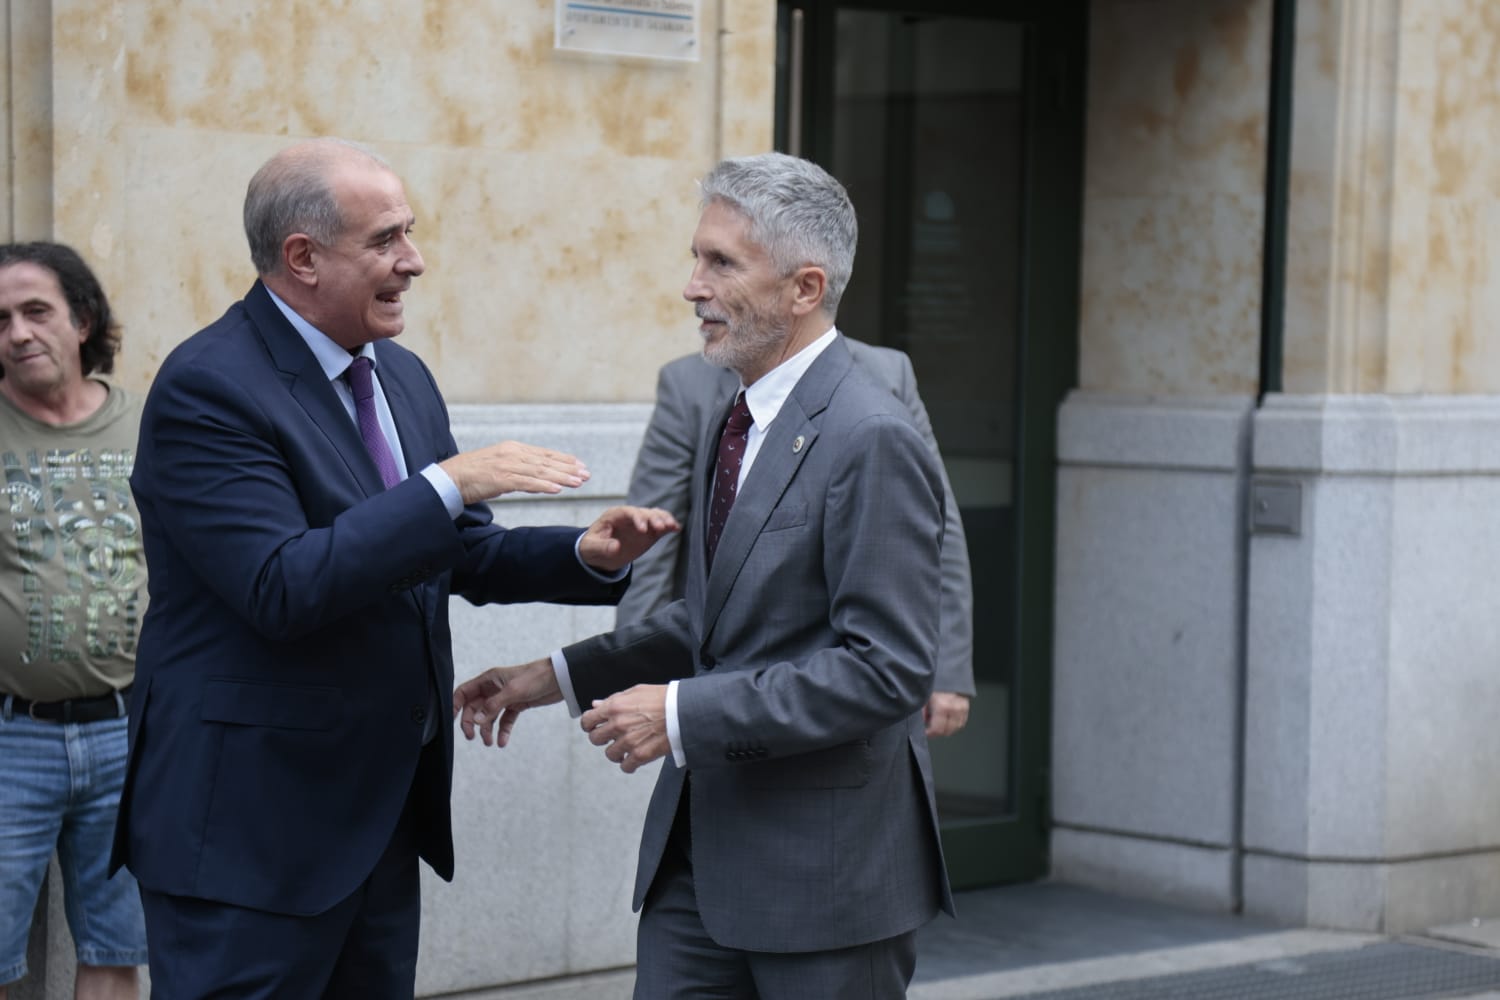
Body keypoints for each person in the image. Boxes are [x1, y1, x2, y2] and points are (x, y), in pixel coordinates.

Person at [109, 138, 676, 997]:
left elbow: (454, 547)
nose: (414, 261)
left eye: (408, 233)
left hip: (376, 822)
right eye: (385, 240)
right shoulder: (207, 387)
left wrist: (586, 555)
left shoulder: (400, 376)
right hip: (247, 835)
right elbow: (280, 585)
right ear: (302, 257)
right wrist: (450, 482)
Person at [456, 152, 954, 999]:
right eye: (696, 258)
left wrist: (681, 710)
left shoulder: (872, 435)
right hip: (697, 863)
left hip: (824, 882)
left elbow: (888, 670)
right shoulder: (737, 412)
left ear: (804, 288)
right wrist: (556, 676)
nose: (692, 286)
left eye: (720, 262)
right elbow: (721, 621)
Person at [618, 346, 975, 737]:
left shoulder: (887, 373)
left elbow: (939, 529)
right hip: (722, 689)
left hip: (852, 687)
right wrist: (632, 675)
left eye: (725, 278)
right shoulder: (688, 384)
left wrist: (948, 671)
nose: (697, 291)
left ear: (804, 290)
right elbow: (651, 539)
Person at [0, 243, 146, 1000]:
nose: (17, 332)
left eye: (35, 311)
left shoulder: (150, 426)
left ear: (82, 320)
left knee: (117, 949)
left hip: (132, 730)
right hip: (10, 736)